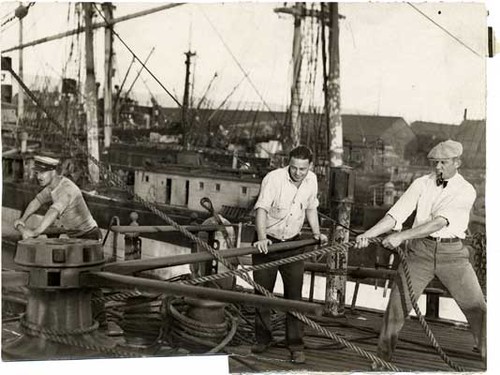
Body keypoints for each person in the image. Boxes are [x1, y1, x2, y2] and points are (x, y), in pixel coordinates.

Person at [354, 140, 486, 366]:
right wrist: (367, 234)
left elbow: (439, 223)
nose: (438, 168)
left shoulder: (466, 190)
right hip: (420, 252)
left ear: (457, 163)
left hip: (452, 254)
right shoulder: (421, 183)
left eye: (444, 163)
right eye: (435, 163)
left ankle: (491, 355)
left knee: (476, 308)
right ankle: (382, 358)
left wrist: (401, 236)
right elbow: (395, 215)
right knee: (397, 305)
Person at [251, 145, 328, 364]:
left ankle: (295, 344)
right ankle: (262, 339)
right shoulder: (273, 179)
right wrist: (262, 237)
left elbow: (311, 207)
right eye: (294, 168)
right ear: (289, 163)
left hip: (293, 243)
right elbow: (261, 210)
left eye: (302, 169)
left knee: (294, 297)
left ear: (310, 166)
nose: (297, 173)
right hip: (268, 242)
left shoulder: (312, 180)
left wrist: (316, 233)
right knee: (262, 294)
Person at [14, 155, 101, 241]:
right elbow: (37, 201)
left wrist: (35, 232)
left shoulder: (66, 189)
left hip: (89, 235)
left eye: (42, 173)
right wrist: (22, 220)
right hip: (74, 236)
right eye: (37, 173)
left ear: (53, 172)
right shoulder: (52, 186)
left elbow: (53, 212)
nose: (38, 177)